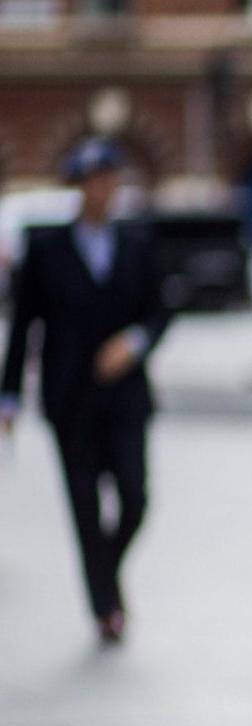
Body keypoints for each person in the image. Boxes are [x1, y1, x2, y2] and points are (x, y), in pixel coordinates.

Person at [0, 138, 173, 642]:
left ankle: (106, 574)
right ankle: (105, 607)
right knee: (84, 507)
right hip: (69, 399)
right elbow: (23, 328)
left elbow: (161, 311)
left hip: (127, 398)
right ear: (79, 187)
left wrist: (135, 342)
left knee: (136, 498)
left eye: (112, 180)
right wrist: (8, 397)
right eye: (95, 181)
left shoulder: (137, 244)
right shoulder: (46, 248)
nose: (105, 190)